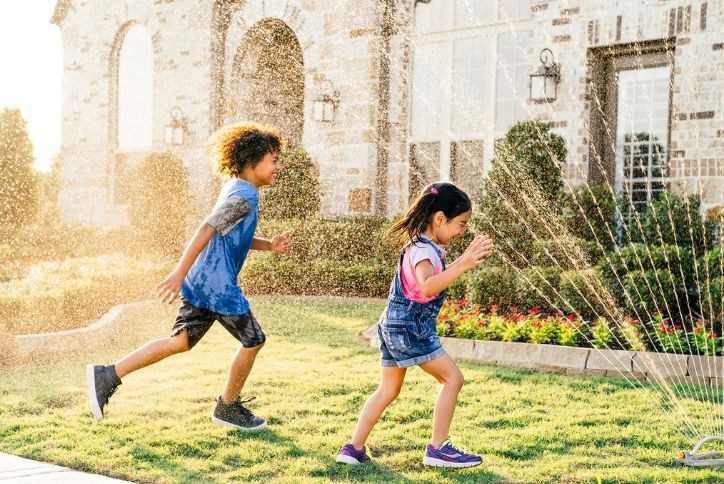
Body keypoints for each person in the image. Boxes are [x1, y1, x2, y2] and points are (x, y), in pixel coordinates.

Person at [87, 122, 292, 431]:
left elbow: (231, 233)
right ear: (253, 161)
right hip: (217, 286)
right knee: (254, 340)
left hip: (202, 283)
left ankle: (107, 375)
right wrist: (177, 273)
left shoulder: (235, 188)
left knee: (180, 341)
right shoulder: (244, 196)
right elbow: (207, 228)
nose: (278, 167)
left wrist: (268, 245)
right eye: (274, 160)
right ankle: (228, 406)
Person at [336, 182, 494, 468]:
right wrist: (464, 263)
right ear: (439, 219)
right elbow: (427, 285)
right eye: (461, 224)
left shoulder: (420, 246)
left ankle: (353, 448)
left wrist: (461, 260)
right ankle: (438, 449)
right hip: (411, 327)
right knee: (453, 379)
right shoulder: (425, 250)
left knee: (388, 390)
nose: (461, 232)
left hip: (392, 325)